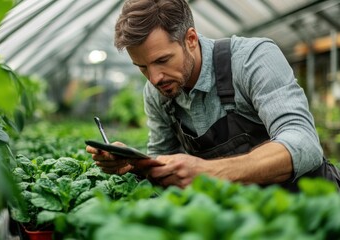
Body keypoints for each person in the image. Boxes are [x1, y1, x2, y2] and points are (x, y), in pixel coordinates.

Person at [86, 0, 340, 191]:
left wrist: (210, 171)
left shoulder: (252, 59)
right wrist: (135, 165)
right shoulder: (157, 94)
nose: (154, 78)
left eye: (162, 60)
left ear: (191, 39)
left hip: (315, 204)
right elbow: (163, 159)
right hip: (250, 217)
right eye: (142, 67)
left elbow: (304, 143)